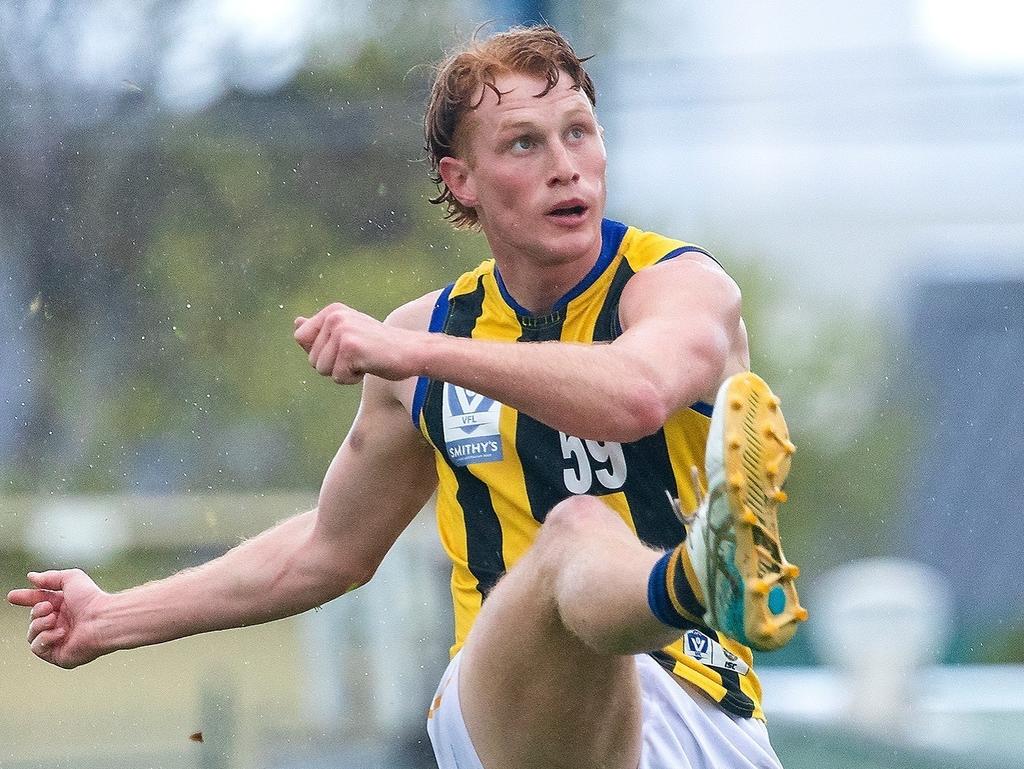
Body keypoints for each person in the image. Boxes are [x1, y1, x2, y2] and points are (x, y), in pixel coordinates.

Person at [8, 24, 806, 769]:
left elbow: (634, 396)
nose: (565, 165)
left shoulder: (679, 288)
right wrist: (110, 617)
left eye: (579, 132)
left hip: (702, 718)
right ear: (463, 181)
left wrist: (415, 351)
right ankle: (701, 576)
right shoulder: (432, 334)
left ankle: (703, 578)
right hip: (502, 709)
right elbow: (325, 550)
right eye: (524, 144)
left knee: (581, 547)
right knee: (570, 535)